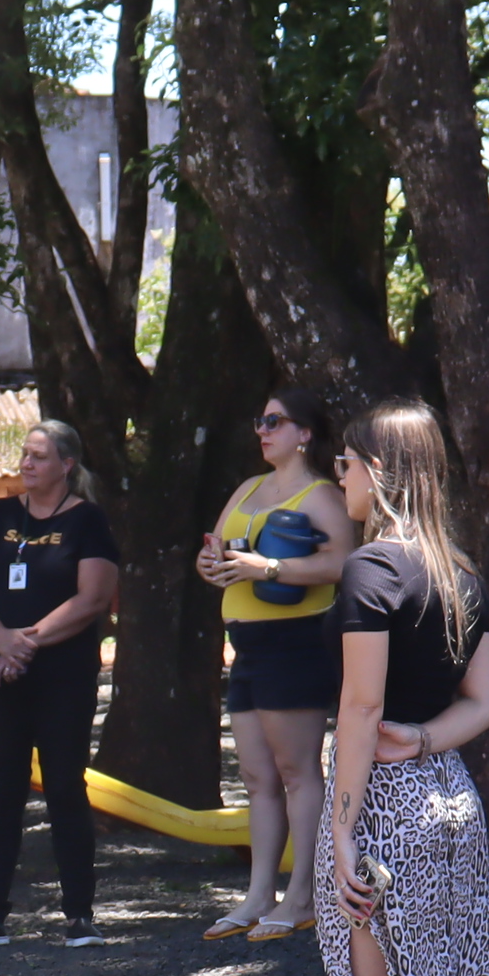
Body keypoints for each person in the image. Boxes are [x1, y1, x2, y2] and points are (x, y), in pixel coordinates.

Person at [310, 401, 489, 976]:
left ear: (379, 472)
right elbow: (485, 703)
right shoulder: (460, 573)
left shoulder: (370, 573)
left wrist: (341, 830)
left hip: (383, 805)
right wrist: (427, 739)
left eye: (347, 465)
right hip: (452, 800)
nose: (339, 479)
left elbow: (358, 706)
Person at [193, 385, 355, 942]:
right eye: (259, 422)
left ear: (304, 433)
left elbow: (343, 561)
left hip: (297, 642)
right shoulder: (249, 487)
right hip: (248, 645)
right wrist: (212, 564)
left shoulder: (320, 494)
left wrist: (266, 569)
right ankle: (259, 894)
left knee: (296, 772)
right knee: (256, 776)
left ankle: (303, 895)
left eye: (275, 422)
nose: (262, 430)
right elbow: (215, 549)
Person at [0, 421, 120, 949]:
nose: (26, 463)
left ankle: (79, 916)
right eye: (24, 454)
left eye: (39, 456)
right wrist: (3, 640)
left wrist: (29, 642)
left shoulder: (88, 522)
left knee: (65, 786)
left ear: (66, 465)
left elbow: (93, 598)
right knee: (2, 788)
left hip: (63, 675)